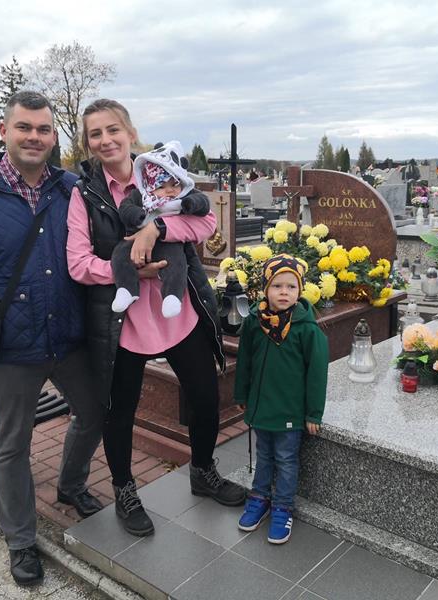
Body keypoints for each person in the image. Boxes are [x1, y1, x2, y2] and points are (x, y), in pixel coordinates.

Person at [0, 91, 106, 587]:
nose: (35, 137)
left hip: (68, 336)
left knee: (95, 413)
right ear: (4, 131)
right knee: (12, 444)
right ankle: (20, 538)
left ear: (54, 136)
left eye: (44, 129)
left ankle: (71, 484)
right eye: (24, 127)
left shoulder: (71, 187)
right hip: (11, 345)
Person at [67, 98, 245, 537]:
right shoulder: (84, 193)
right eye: (95, 134)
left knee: (205, 395)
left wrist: (157, 229)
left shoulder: (162, 169)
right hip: (123, 318)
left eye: (113, 129)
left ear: (130, 132)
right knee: (120, 410)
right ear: (88, 143)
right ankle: (125, 490)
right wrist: (128, 269)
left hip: (177, 308)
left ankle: (202, 471)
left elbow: (204, 223)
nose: (106, 140)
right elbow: (78, 263)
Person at [234, 254, 328, 544]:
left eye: (291, 286)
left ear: (300, 290)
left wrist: (313, 413)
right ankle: (259, 497)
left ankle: (283, 507)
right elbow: (245, 361)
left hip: (290, 409)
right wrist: (242, 394)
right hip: (262, 406)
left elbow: (317, 373)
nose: (284, 292)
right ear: (266, 289)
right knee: (264, 454)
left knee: (286, 460)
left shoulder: (307, 329)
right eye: (277, 286)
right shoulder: (255, 322)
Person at [111, 141, 210, 318]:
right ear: (149, 186)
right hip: (135, 243)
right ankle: (126, 289)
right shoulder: (141, 196)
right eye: (161, 187)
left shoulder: (184, 195)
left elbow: (204, 204)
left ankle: (172, 296)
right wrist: (138, 216)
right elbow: (125, 208)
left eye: (174, 184)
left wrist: (191, 204)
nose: (170, 191)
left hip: (169, 243)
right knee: (119, 255)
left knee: (177, 263)